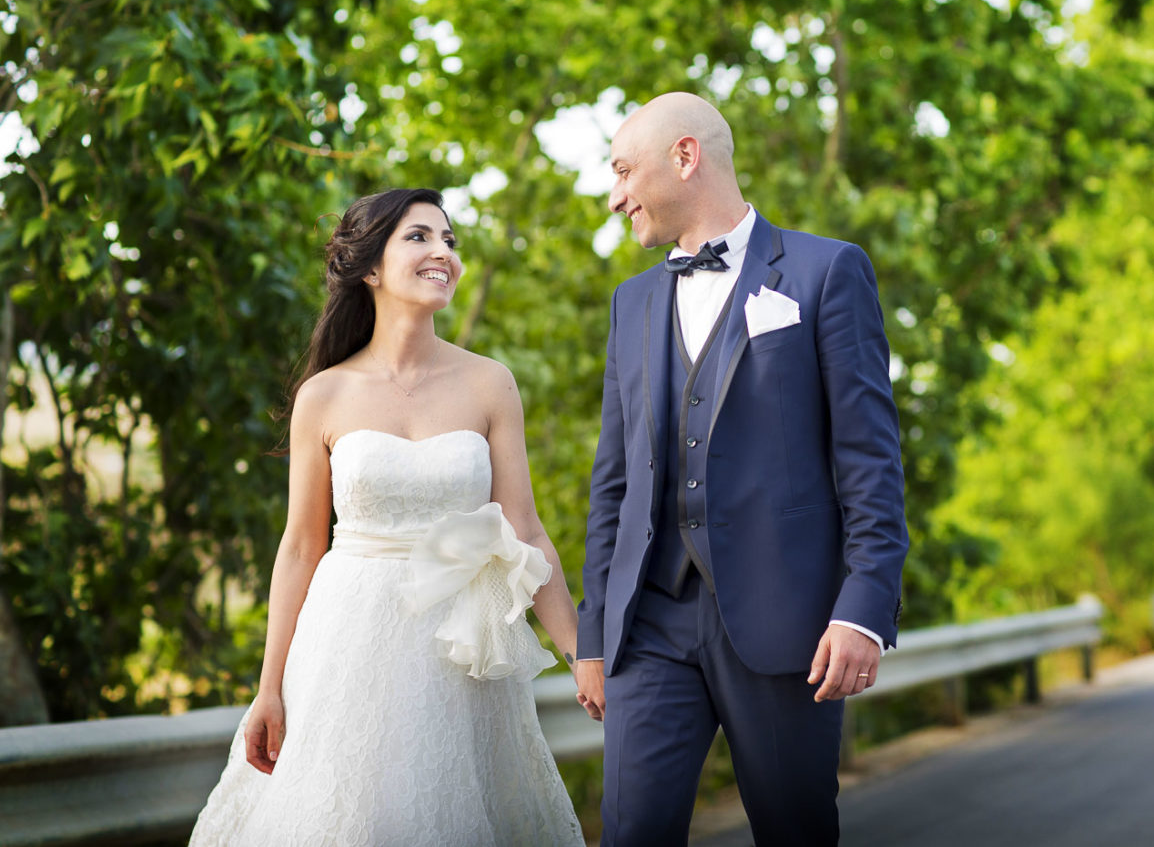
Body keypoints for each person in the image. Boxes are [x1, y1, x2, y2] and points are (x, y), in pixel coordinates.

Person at [190, 188, 584, 846]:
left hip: (460, 651)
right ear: (369, 267)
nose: (443, 253)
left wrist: (580, 654)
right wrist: (268, 689)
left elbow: (524, 528)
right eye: (420, 237)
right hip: (345, 645)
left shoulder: (490, 383)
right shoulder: (325, 393)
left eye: (450, 241)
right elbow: (299, 548)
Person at [574, 93, 910, 846]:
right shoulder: (631, 304)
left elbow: (869, 460)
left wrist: (861, 608)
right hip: (650, 622)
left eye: (624, 170)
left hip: (788, 623)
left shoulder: (826, 272)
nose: (614, 194)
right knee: (631, 834)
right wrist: (592, 636)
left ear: (685, 157)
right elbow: (614, 485)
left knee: (794, 832)